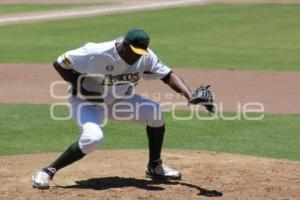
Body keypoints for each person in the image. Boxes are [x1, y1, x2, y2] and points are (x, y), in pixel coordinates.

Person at [31, 28, 208, 189]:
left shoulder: (145, 56)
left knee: (155, 112)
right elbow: (60, 63)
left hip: (120, 101)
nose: (137, 57)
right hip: (87, 103)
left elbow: (168, 75)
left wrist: (190, 95)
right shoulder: (96, 52)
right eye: (134, 52)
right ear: (124, 44)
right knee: (93, 139)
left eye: (141, 53)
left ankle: (155, 166)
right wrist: (81, 88)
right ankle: (47, 171)